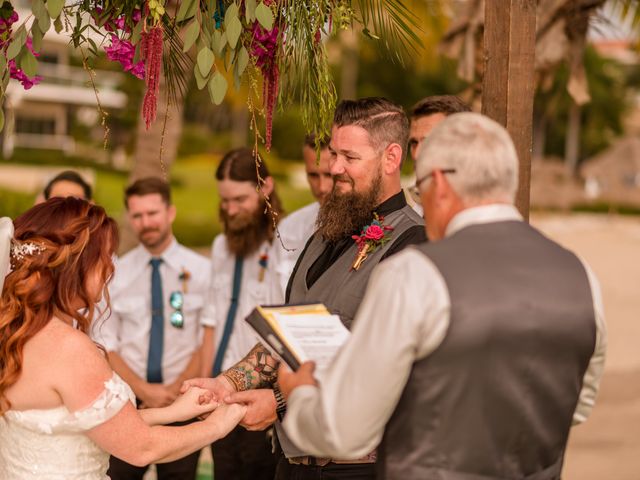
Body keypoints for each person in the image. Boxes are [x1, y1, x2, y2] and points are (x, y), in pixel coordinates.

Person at [278, 112, 607, 480]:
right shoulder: (581, 275)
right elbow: (577, 404)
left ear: (438, 183)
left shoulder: (415, 274)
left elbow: (346, 433)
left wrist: (301, 394)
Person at [184, 97, 426, 479]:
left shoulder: (414, 245)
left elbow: (384, 367)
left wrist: (280, 403)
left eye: (350, 157)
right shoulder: (323, 233)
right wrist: (225, 383)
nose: (334, 168)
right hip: (293, 465)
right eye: (333, 154)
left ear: (391, 158)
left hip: (358, 470)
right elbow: (287, 337)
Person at [0, 197, 246, 480]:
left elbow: (84, 422)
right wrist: (219, 425)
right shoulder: (69, 348)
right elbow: (141, 447)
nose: (111, 268)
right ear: (75, 265)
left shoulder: (14, 334)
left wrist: (173, 412)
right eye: (104, 257)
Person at [97, 178, 211, 480]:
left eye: (153, 213)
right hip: (128, 405)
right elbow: (108, 344)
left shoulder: (201, 271)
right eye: (137, 215)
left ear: (170, 212)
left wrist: (175, 393)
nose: (145, 222)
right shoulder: (115, 273)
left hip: (183, 400)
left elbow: (205, 338)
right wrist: (143, 391)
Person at [199, 148, 282, 479]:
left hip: (256, 395)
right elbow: (211, 323)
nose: (231, 210)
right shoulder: (221, 246)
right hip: (220, 394)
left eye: (240, 200)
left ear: (266, 188)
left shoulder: (284, 246)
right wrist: (205, 391)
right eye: (224, 201)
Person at [268, 134, 332, 303]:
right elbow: (273, 298)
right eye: (313, 175)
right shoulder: (289, 228)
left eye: (329, 175)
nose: (322, 187)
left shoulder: (370, 227)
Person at [405, 95, 470, 214]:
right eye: (414, 143)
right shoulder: (417, 210)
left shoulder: (478, 211)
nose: (417, 155)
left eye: (429, 142)